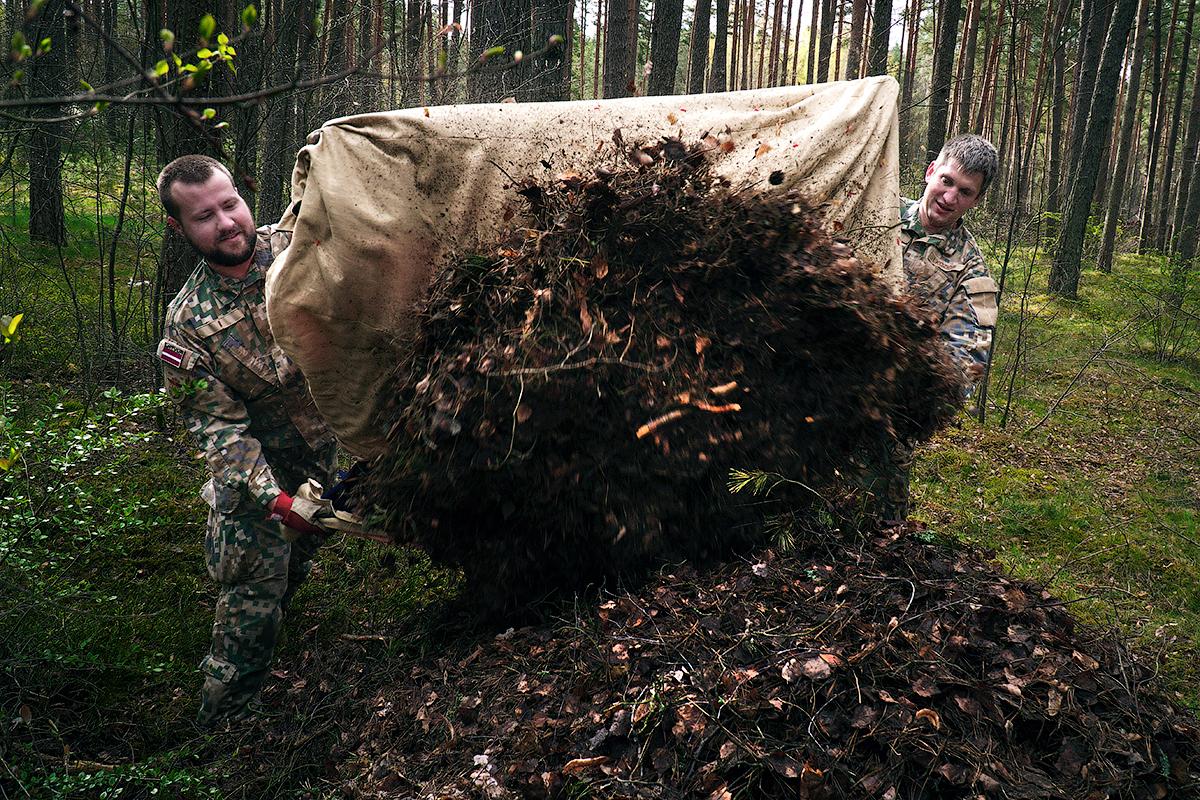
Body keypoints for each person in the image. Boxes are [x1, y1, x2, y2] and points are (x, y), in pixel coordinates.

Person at [155, 154, 337, 726]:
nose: (227, 223)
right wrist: (275, 501)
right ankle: (219, 734)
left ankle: (279, 644)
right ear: (178, 228)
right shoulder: (187, 324)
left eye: (230, 204)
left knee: (295, 571)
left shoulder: (298, 248)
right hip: (256, 483)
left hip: (321, 457)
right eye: (204, 216)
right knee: (252, 602)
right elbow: (219, 429)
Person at [867, 134, 1000, 521]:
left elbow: (969, 362)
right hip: (813, 388)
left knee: (873, 536)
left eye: (964, 191)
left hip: (885, 422)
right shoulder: (875, 211)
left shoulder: (974, 275)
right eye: (947, 180)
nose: (949, 196)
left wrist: (911, 388)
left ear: (975, 200)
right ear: (931, 172)